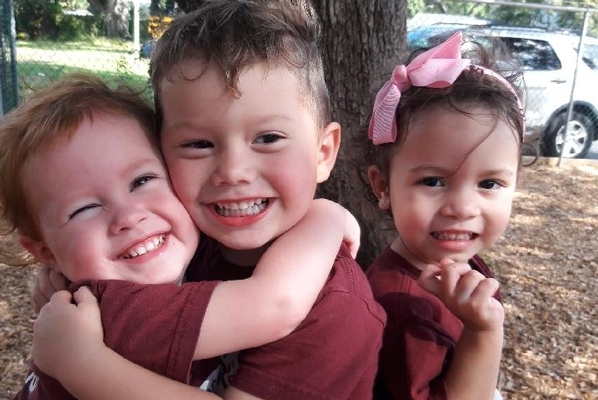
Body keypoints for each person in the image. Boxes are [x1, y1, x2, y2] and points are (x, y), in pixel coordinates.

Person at [29, 1, 387, 399]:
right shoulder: (171, 250)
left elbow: (276, 303)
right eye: (198, 144)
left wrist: (81, 364)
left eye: (268, 138)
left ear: (322, 153)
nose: (233, 171)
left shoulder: (335, 308)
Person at [364, 32, 525, 400]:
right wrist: (483, 332)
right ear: (383, 186)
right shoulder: (403, 307)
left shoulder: (456, 261)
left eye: (489, 183)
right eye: (433, 181)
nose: (463, 208)